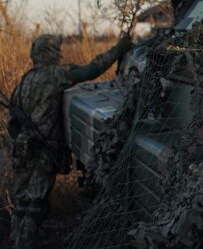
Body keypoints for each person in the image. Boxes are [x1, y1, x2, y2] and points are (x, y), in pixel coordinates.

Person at [8, 33, 132, 249]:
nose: (61, 55)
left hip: (21, 150)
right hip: (41, 152)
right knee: (35, 207)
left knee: (21, 204)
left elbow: (12, 124)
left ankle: (14, 241)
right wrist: (118, 48)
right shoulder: (55, 75)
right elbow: (91, 70)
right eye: (58, 51)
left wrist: (21, 140)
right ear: (52, 53)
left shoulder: (24, 81)